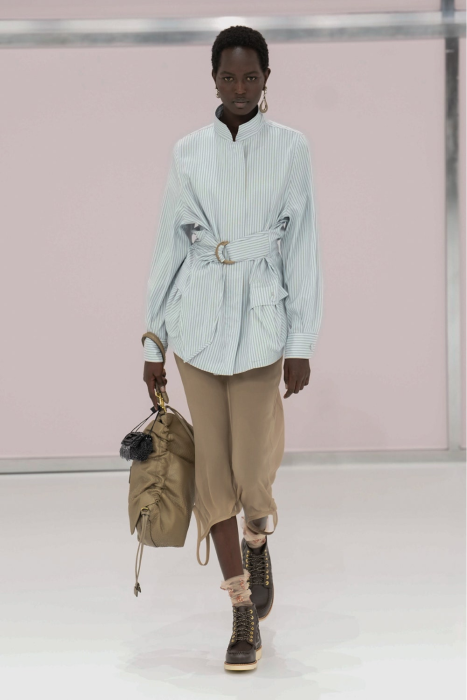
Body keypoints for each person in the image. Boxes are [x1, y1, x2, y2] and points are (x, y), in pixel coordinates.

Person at [142, 25, 323, 671]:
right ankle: (241, 608)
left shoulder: (291, 148)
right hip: (196, 326)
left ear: (266, 79)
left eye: (250, 77)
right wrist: (153, 340)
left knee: (254, 471)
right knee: (213, 477)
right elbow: (169, 242)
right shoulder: (189, 151)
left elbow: (302, 245)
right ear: (213, 79)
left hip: (263, 325)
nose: (239, 88)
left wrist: (301, 341)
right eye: (228, 77)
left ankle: (257, 536)